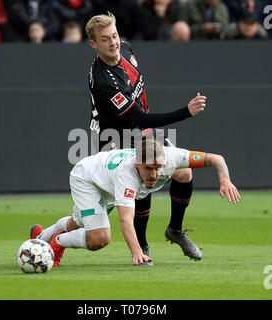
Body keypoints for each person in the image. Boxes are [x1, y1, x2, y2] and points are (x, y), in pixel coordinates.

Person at [85, 12, 207, 263]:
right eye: (105, 39)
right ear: (94, 44)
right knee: (141, 182)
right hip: (115, 136)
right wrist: (186, 112)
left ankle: (174, 230)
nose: (113, 43)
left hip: (142, 130)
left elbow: (141, 118)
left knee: (183, 173)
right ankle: (141, 246)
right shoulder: (103, 81)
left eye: (115, 36)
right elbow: (140, 118)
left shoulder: (127, 50)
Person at [30, 138, 240, 267]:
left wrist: (224, 179)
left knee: (78, 223)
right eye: (148, 168)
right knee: (100, 238)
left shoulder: (172, 157)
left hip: (105, 178)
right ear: (137, 164)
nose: (154, 173)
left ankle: (40, 235)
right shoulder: (127, 174)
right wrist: (137, 252)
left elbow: (216, 159)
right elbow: (125, 220)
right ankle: (58, 242)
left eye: (158, 167)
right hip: (87, 179)